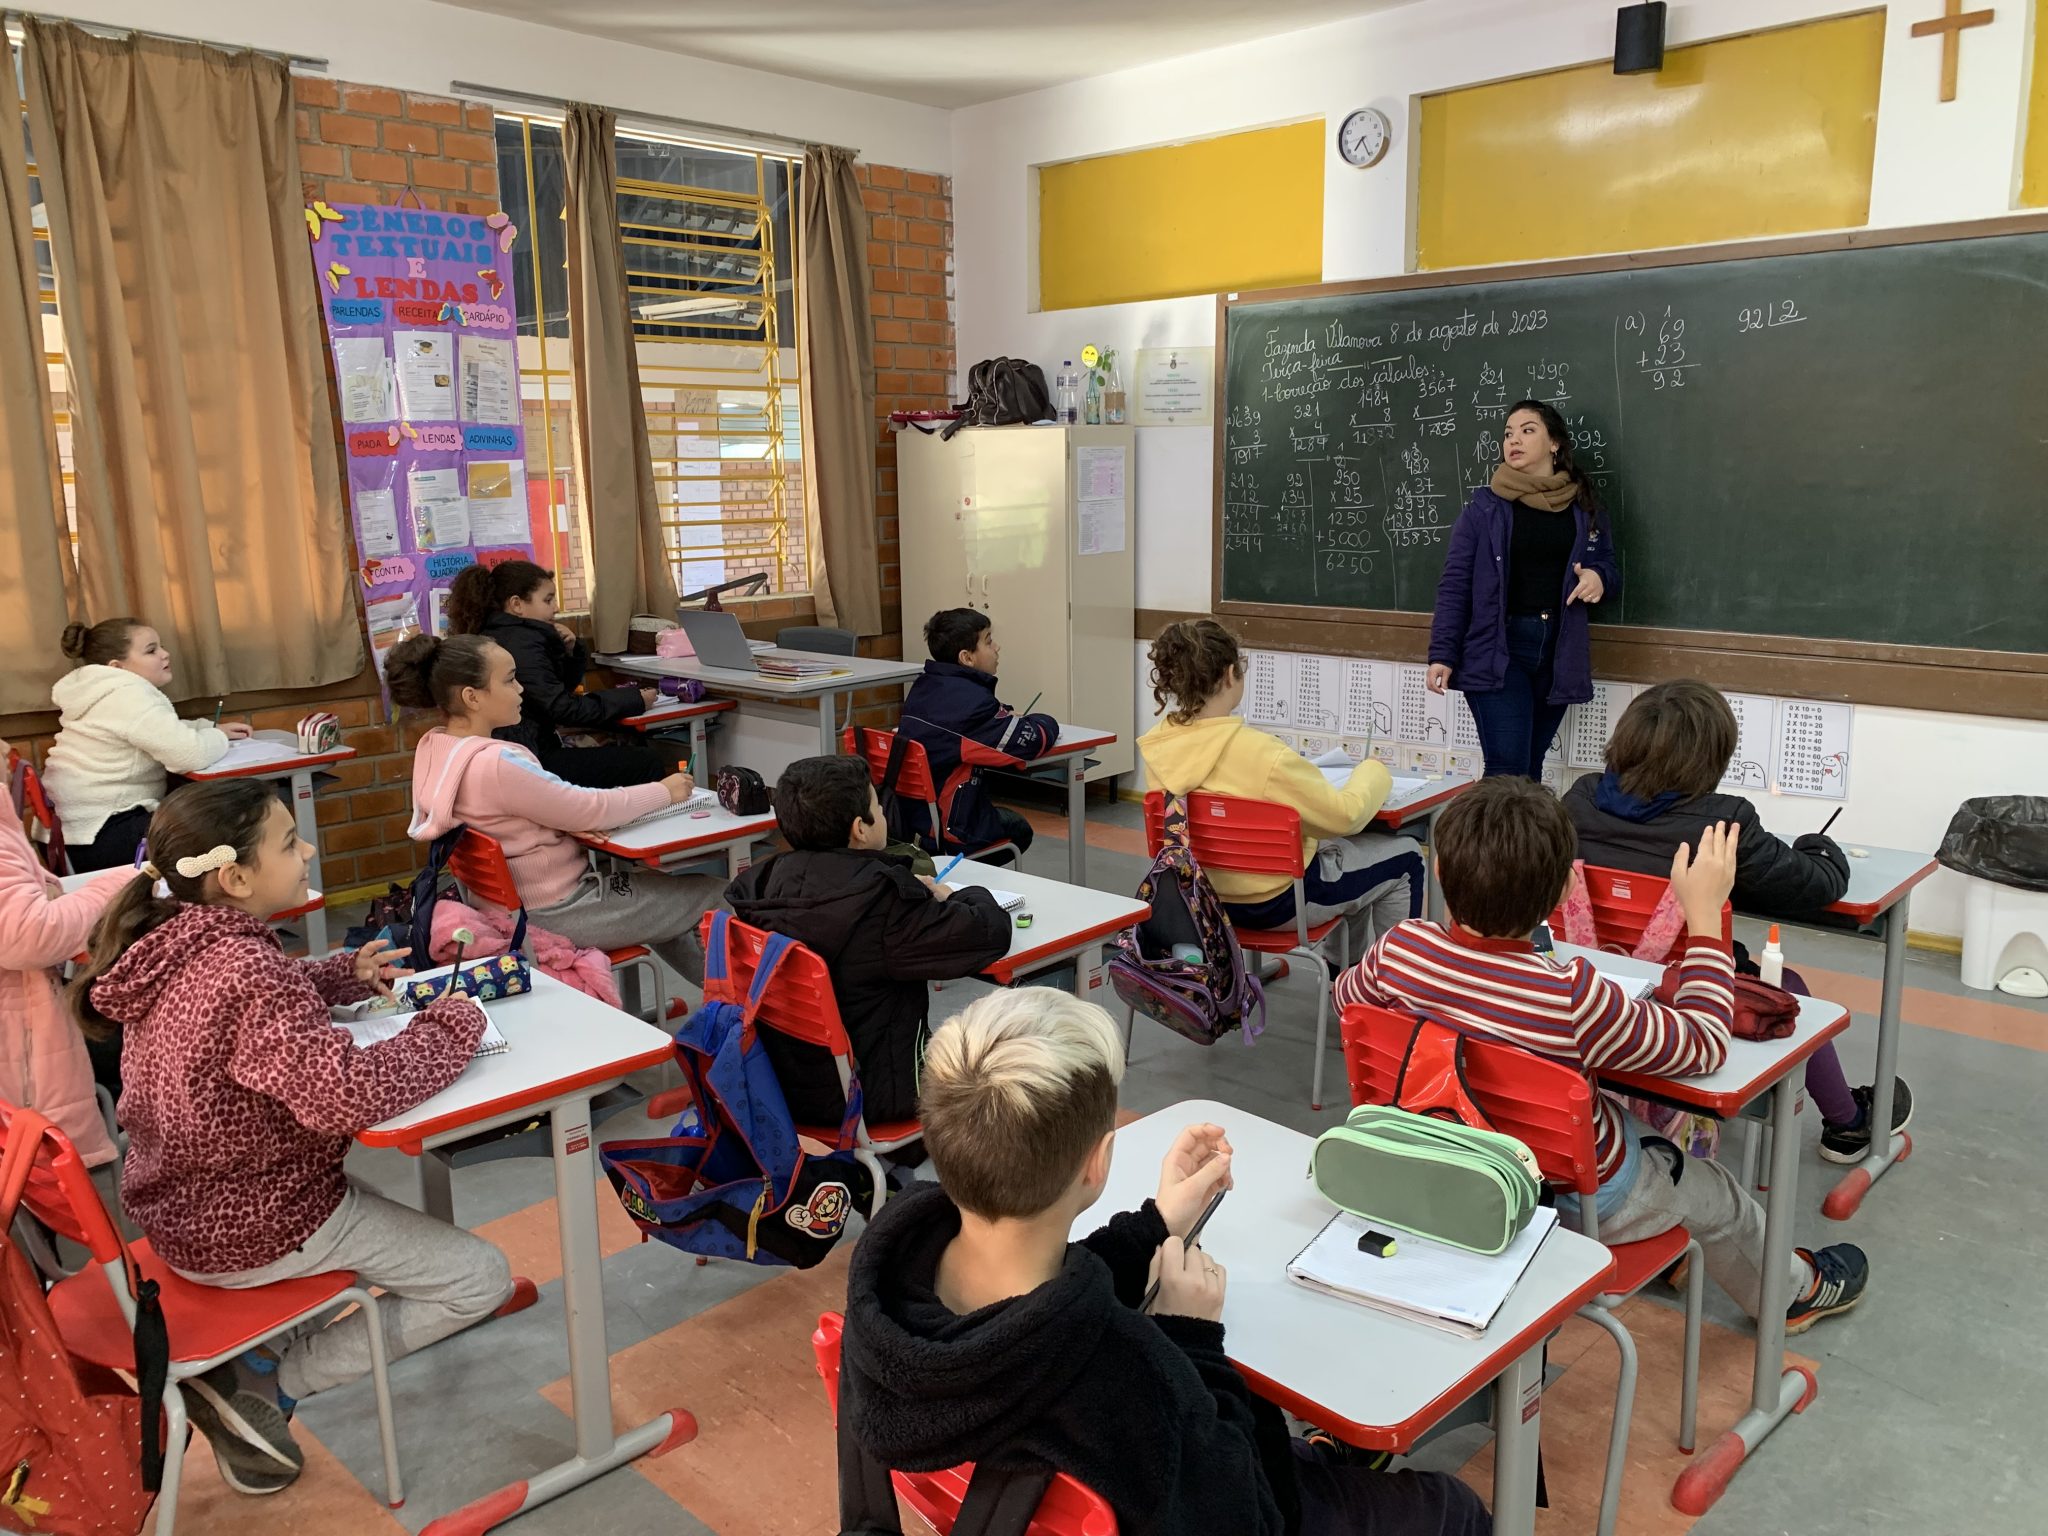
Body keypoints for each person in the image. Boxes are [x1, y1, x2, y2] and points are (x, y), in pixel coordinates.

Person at [839, 986, 1492, 1536]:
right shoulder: (1125, 1374)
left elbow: (1040, 1309)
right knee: (1453, 1508)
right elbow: (1247, 1521)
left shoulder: (891, 1276)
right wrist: (1192, 1339)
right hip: (1248, 1499)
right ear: (1099, 1162)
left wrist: (1157, 1224)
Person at [69, 780, 517, 1496]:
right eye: (287, 843)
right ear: (235, 878)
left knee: (385, 1229)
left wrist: (337, 976)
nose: (307, 849)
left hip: (180, 1209)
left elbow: (252, 1008)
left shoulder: (176, 941)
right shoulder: (248, 970)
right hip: (260, 1221)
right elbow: (347, 1095)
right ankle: (272, 1377)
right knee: (479, 1278)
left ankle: (263, 1349)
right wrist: (451, 1026)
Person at [1334, 776, 1869, 1334]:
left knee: (1628, 1129)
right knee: (1721, 1196)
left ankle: (1678, 1244)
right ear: (1565, 890)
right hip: (1567, 1196)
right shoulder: (1574, 997)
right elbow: (1706, 1043)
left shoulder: (1399, 950)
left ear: (1440, 869)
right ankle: (1794, 1292)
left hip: (1428, 1157)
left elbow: (1348, 1005)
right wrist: (1706, 922)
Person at [1562, 679, 1913, 1163]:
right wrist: (1818, 847)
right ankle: (1848, 1124)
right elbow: (1815, 886)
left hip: (1594, 975)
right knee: (1786, 987)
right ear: (1713, 757)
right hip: (1691, 987)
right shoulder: (1725, 823)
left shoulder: (1579, 800)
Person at [389, 633, 721, 986]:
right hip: (560, 909)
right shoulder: (496, 763)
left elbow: (543, 810)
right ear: (472, 697)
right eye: (509, 680)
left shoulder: (436, 750)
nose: (520, 689)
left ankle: (725, 998)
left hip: (501, 909)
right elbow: (590, 807)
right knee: (715, 893)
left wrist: (563, 820)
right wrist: (664, 791)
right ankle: (739, 1004)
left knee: (667, 901)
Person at [724, 754, 1012, 1128]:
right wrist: (952, 895)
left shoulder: (762, 886)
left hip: (778, 1085)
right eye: (878, 806)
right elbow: (990, 933)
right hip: (870, 1097)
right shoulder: (881, 905)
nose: (884, 813)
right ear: (860, 828)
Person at [1139, 618, 1419, 966]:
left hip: (1202, 902)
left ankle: (1345, 972)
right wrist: (1373, 771)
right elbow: (1344, 816)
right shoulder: (1262, 753)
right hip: (1278, 905)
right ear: (1231, 674)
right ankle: (1398, 982)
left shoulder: (1159, 748)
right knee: (1407, 856)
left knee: (1354, 859)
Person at [1425, 400, 1619, 780]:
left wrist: (1598, 578)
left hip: (1558, 650)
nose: (1513, 440)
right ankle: (1491, 824)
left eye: (1527, 430)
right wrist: (1442, 654)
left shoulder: (1583, 508)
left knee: (1529, 768)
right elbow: (1454, 585)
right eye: (1508, 433)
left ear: (1554, 444)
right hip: (1500, 647)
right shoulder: (1484, 509)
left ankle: (1518, 825)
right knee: (1507, 769)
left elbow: (1608, 566)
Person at [0, 735, 128, 1167]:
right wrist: (116, 888)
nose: (6, 748)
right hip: (22, 1047)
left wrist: (47, 891)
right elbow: (28, 935)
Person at [445, 560, 677, 789]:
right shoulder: (521, 643)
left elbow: (554, 691)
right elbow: (560, 706)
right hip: (532, 758)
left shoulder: (509, 635)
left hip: (526, 749)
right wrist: (634, 699)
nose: (555, 608)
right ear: (517, 604)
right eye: (548, 600)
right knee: (646, 761)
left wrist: (571, 650)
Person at [43, 617, 253, 871]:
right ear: (117, 666)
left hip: (72, 837)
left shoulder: (101, 691)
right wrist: (219, 738)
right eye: (151, 650)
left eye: (161, 646)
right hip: (105, 834)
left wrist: (206, 729)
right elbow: (189, 754)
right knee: (222, 828)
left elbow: (154, 728)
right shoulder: (128, 694)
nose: (165, 654)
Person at [893, 608, 1058, 862]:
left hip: (911, 822)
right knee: (1019, 829)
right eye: (989, 641)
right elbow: (1033, 741)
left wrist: (1000, 715)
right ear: (967, 657)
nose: (997, 647)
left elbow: (970, 726)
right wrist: (1044, 721)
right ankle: (970, 879)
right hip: (951, 832)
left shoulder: (924, 686)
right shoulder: (974, 706)